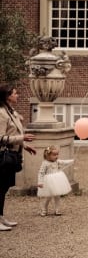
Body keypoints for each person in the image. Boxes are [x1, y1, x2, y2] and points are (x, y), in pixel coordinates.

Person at [0, 84, 36, 230]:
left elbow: (13, 134)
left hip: (13, 154)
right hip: (2, 156)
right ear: (7, 96)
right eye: (15, 93)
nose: (17, 95)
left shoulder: (10, 111)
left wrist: (25, 146)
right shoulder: (1, 113)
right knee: (0, 187)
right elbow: (1, 137)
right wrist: (22, 137)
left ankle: (1, 217)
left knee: (4, 187)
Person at [36, 146, 74, 216]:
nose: (56, 156)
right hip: (49, 181)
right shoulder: (45, 163)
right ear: (48, 155)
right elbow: (41, 173)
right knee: (48, 197)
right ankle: (44, 209)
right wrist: (40, 182)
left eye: (57, 154)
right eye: (54, 155)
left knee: (57, 196)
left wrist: (71, 160)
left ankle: (57, 210)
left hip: (57, 180)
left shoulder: (57, 161)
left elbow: (64, 162)